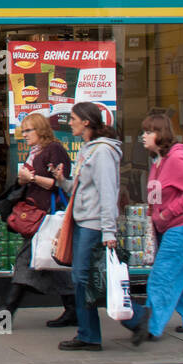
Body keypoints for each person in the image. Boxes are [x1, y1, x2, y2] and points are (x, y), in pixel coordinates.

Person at [0, 112, 75, 328]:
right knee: (54, 262)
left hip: (46, 216)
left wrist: (30, 178)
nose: (24, 135)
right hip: (37, 215)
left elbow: (58, 183)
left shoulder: (54, 150)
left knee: (27, 261)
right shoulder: (35, 152)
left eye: (28, 130)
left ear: (41, 130)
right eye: (23, 130)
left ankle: (7, 313)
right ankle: (74, 309)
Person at [122, 112, 183, 345]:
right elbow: (158, 195)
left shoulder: (177, 159)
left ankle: (149, 326)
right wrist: (154, 216)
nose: (143, 137)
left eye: (148, 132)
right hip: (171, 227)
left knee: (161, 277)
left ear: (161, 134)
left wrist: (166, 214)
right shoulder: (158, 161)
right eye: (143, 132)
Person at [50, 101, 121, 351]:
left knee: (83, 278)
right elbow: (81, 189)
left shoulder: (102, 152)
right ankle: (90, 334)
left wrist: (109, 230)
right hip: (82, 221)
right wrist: (62, 181)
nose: (69, 123)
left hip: (93, 225)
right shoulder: (88, 150)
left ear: (86, 121)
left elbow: (107, 191)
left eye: (72, 119)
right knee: (83, 279)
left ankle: (95, 332)